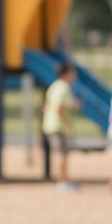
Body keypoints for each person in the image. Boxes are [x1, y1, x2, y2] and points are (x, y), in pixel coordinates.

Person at [42, 63, 80, 191]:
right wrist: (67, 123)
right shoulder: (64, 87)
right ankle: (62, 182)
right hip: (58, 126)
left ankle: (65, 179)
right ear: (66, 74)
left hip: (49, 124)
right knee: (62, 154)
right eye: (73, 72)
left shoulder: (54, 86)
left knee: (61, 153)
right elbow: (59, 108)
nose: (75, 75)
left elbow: (46, 106)